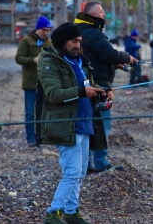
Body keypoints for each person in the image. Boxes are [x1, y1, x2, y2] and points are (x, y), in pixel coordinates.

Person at [38, 22, 106, 224]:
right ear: (62, 41)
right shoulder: (49, 61)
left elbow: (86, 85)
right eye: (74, 41)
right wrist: (82, 92)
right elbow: (53, 94)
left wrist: (101, 91)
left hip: (85, 122)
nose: (78, 45)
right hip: (66, 124)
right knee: (72, 172)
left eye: (80, 42)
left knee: (80, 172)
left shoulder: (79, 61)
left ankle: (71, 212)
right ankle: (53, 213)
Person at [74, 1, 137, 172]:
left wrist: (114, 65)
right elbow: (109, 54)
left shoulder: (80, 31)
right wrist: (127, 58)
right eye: (101, 12)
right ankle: (100, 162)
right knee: (102, 123)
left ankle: (86, 164)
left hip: (86, 84)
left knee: (88, 123)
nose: (104, 15)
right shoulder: (94, 33)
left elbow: (96, 57)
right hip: (99, 85)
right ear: (93, 15)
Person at [15, 16, 52, 147]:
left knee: (42, 111)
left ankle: (40, 138)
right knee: (30, 112)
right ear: (38, 28)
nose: (46, 32)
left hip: (44, 84)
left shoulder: (49, 43)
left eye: (48, 30)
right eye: (43, 29)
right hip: (30, 83)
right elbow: (19, 58)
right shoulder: (26, 41)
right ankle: (30, 138)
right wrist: (33, 60)